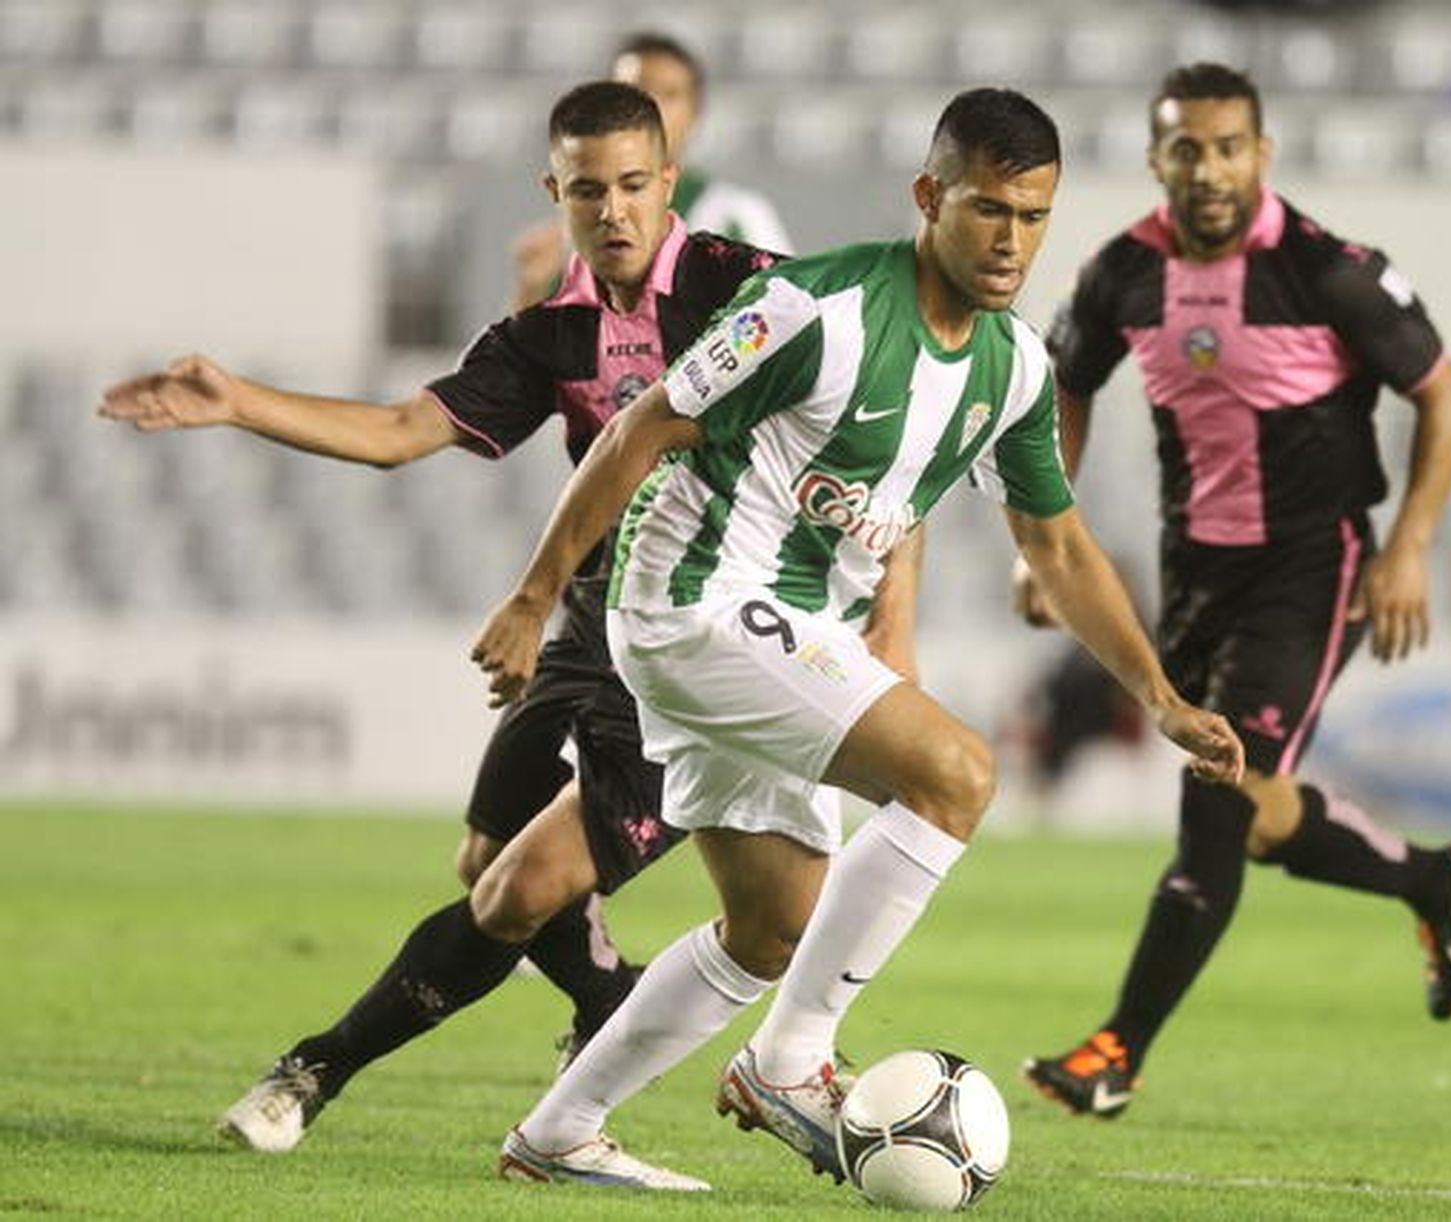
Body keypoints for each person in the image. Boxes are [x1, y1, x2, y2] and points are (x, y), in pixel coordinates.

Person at [96, 81, 895, 1155]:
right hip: (586, 633)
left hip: (703, 643)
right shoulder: (548, 334)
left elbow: (869, 429)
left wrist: (891, 616)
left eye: (629, 187)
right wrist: (240, 399)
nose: (610, 211)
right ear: (552, 194)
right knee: (485, 861)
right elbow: (394, 428)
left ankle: (311, 1071)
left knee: (522, 884)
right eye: (585, 191)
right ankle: (605, 996)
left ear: (667, 183)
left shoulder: (745, 292)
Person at [469, 86, 1244, 1192]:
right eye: (986, 209)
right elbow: (645, 423)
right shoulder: (811, 307)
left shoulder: (1014, 365)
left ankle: (555, 1133)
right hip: (690, 595)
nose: (1009, 239)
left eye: (1032, 216)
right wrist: (536, 593)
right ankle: (788, 1062)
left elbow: (1058, 546)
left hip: (779, 619)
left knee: (769, 929)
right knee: (956, 772)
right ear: (930, 196)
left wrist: (1159, 695)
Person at [1019, 62, 1451, 1120]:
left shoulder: (1330, 272)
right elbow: (1063, 384)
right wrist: (1039, 540)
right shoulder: (1119, 274)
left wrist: (1407, 546)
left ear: (1261, 154)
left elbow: (1445, 394)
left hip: (1307, 564)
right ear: (1156, 159)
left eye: (1228, 146)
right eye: (1185, 148)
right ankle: (1435, 878)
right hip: (1193, 571)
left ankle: (1116, 1053)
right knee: (1255, 809)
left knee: (1217, 799)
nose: (1208, 168)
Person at [514, 30, 792, 311]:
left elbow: (791, 324)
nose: (652, 106)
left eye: (670, 94)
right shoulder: (572, 235)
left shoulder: (738, 217)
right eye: (636, 91)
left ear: (695, 112)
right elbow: (525, 349)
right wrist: (531, 289)